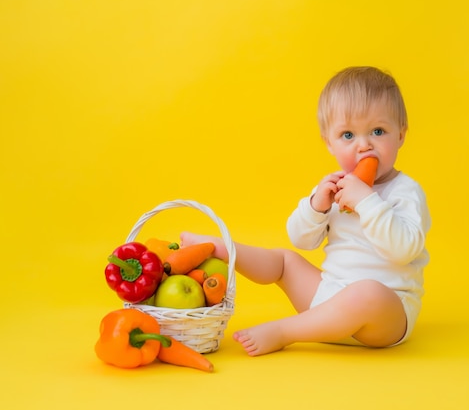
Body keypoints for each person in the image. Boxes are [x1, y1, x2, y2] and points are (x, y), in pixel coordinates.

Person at [182, 66, 431, 356]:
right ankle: (223, 249)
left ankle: (285, 331)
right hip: (325, 301)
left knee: (368, 291)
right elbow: (301, 240)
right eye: (348, 135)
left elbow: (403, 250)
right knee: (286, 261)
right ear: (329, 142)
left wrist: (366, 201)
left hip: (384, 317)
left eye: (378, 131)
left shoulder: (406, 192)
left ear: (401, 135)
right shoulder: (335, 187)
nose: (363, 145)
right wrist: (316, 207)